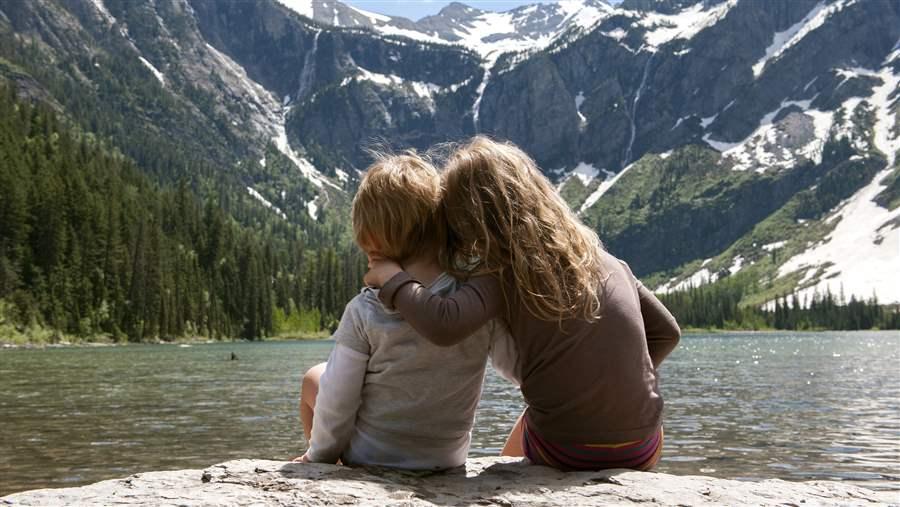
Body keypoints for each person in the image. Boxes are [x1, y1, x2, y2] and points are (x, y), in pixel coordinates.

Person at [364, 136, 681, 472]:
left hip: (567, 450)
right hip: (644, 446)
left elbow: (444, 324)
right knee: (540, 414)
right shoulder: (607, 260)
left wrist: (391, 277)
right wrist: (613, 389)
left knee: (540, 419)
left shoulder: (505, 270)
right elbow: (667, 332)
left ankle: (504, 472)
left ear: (471, 218)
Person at [295, 151, 516, 469]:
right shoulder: (471, 304)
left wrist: (320, 454)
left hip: (371, 458)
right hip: (446, 460)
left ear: (371, 242)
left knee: (313, 379)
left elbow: (337, 401)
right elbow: (517, 369)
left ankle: (325, 466)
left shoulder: (364, 310)